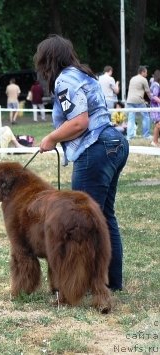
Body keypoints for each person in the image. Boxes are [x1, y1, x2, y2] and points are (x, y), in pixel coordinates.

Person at [35, 34, 129, 292]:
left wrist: (52, 138)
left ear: (48, 59)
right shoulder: (84, 75)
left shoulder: (65, 80)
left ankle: (88, 283)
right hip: (115, 142)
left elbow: (79, 122)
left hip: (95, 148)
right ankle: (111, 282)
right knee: (103, 216)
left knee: (83, 221)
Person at [126, 66, 152, 140]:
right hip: (138, 100)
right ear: (142, 72)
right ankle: (146, 135)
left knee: (131, 118)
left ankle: (130, 137)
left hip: (129, 100)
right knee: (146, 116)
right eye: (146, 72)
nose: (146, 74)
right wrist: (152, 100)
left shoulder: (132, 78)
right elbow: (148, 92)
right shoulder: (143, 79)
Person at [149, 70, 160, 147]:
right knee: (158, 124)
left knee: (158, 124)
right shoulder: (156, 85)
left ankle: (155, 141)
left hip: (154, 107)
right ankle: (154, 141)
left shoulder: (153, 84)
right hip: (156, 108)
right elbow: (154, 96)